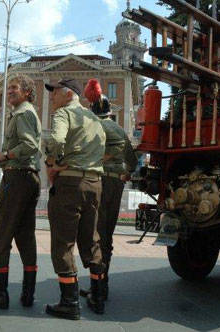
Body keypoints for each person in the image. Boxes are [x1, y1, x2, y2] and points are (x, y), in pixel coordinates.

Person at [44, 78, 107, 320]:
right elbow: (103, 147)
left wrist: (52, 162)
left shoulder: (63, 114)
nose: (52, 97)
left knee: (63, 242)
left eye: (55, 93)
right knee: (92, 240)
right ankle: (98, 297)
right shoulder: (94, 119)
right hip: (94, 183)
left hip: (70, 184)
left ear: (68, 95)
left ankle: (69, 302)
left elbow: (57, 141)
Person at [80, 79, 138, 301]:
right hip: (116, 183)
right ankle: (102, 285)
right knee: (107, 237)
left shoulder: (94, 127)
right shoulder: (119, 129)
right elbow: (132, 161)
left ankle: (98, 287)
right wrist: (125, 174)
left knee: (95, 235)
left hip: (98, 182)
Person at [0, 74, 42, 309]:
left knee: (1, 235)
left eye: (14, 88)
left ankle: (0, 294)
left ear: (27, 92)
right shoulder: (25, 112)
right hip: (26, 177)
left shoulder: (22, 113)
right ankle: (27, 294)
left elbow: (30, 145)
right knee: (25, 236)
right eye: (8, 88)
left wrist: (5, 156)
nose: (9, 91)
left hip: (17, 178)